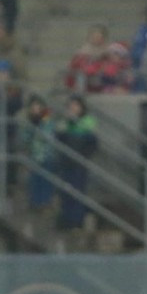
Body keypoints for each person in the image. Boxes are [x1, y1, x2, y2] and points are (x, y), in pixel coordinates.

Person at [56, 94, 98, 230]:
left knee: (78, 192)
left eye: (76, 105)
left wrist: (84, 156)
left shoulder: (88, 122)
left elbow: (92, 143)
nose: (73, 108)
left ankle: (76, 220)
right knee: (65, 192)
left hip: (79, 162)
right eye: (71, 106)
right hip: (66, 162)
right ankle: (66, 219)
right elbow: (58, 139)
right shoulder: (64, 122)